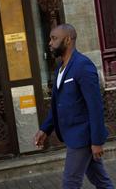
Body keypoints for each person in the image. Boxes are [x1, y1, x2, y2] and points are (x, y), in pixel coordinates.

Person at [34, 24, 114, 188]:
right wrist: (45, 129)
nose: (49, 43)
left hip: (82, 136)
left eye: (54, 38)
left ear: (68, 39)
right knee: (101, 181)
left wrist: (97, 141)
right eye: (50, 38)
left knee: (70, 183)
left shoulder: (83, 65)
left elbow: (95, 106)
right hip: (72, 135)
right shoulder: (59, 69)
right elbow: (58, 104)